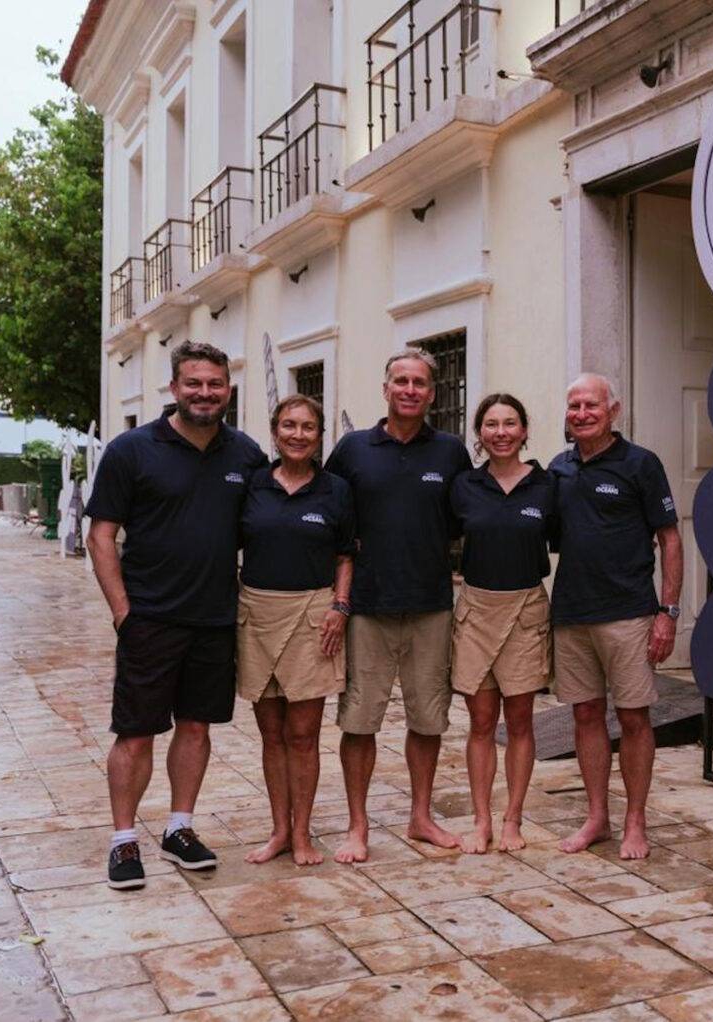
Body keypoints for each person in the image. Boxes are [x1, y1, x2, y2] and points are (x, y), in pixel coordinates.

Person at [86, 340, 267, 889]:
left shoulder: (246, 455)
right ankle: (123, 840)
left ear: (228, 390)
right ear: (174, 388)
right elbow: (100, 536)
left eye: (214, 384)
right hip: (150, 619)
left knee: (195, 727)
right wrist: (124, 613)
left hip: (214, 620)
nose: (204, 393)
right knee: (135, 732)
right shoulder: (132, 450)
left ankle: (179, 828)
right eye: (194, 383)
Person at [324, 349, 471, 863]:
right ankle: (357, 825)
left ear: (432, 392)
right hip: (367, 607)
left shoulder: (450, 453)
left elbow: (461, 520)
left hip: (431, 606)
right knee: (359, 721)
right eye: (401, 381)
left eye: (420, 383)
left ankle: (421, 816)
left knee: (428, 720)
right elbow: (330, 515)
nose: (410, 390)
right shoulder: (352, 449)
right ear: (385, 388)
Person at [549, 373, 683, 860]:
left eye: (592, 405)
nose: (582, 414)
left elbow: (670, 538)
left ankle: (635, 821)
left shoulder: (641, 464)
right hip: (572, 613)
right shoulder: (558, 468)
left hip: (629, 614)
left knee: (633, 718)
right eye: (574, 406)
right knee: (585, 715)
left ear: (613, 410)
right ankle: (597, 817)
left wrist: (668, 612)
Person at [237, 395, 354, 867]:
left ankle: (303, 833)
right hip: (257, 615)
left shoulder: (336, 490)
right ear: (275, 431)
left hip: (313, 617)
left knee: (303, 734)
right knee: (271, 734)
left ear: (320, 436)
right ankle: (279, 832)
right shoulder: (252, 484)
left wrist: (340, 606)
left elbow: (345, 556)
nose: (298, 435)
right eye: (289, 425)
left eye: (308, 427)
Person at [448, 393, 556, 853]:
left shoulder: (547, 485)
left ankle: (512, 819)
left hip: (526, 610)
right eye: (491, 424)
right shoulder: (464, 486)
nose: (501, 432)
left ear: (524, 430)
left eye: (510, 423)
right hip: (476, 610)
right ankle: (481, 821)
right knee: (480, 722)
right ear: (480, 433)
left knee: (520, 721)